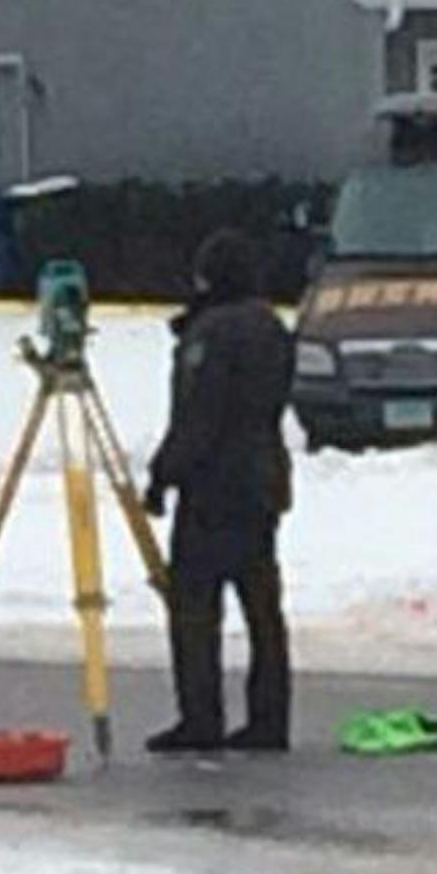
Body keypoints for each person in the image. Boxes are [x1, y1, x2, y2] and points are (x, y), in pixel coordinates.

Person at [143, 229, 295, 753]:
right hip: (263, 479)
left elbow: (198, 416)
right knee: (262, 608)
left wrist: (165, 474)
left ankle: (200, 715)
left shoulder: (212, 334)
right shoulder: (271, 326)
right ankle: (270, 717)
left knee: (195, 607)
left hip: (214, 488)